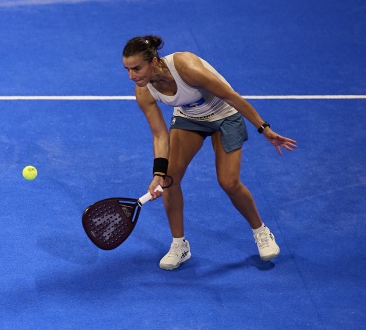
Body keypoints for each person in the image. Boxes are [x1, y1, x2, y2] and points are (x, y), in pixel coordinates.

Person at [122, 35, 297, 270]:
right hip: (189, 119)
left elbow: (230, 96)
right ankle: (179, 245)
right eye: (127, 69)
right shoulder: (143, 92)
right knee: (169, 180)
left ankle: (261, 231)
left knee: (229, 182)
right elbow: (160, 135)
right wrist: (158, 173)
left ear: (153, 61)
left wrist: (264, 128)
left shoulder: (186, 67)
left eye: (136, 68)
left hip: (226, 116)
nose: (131, 76)